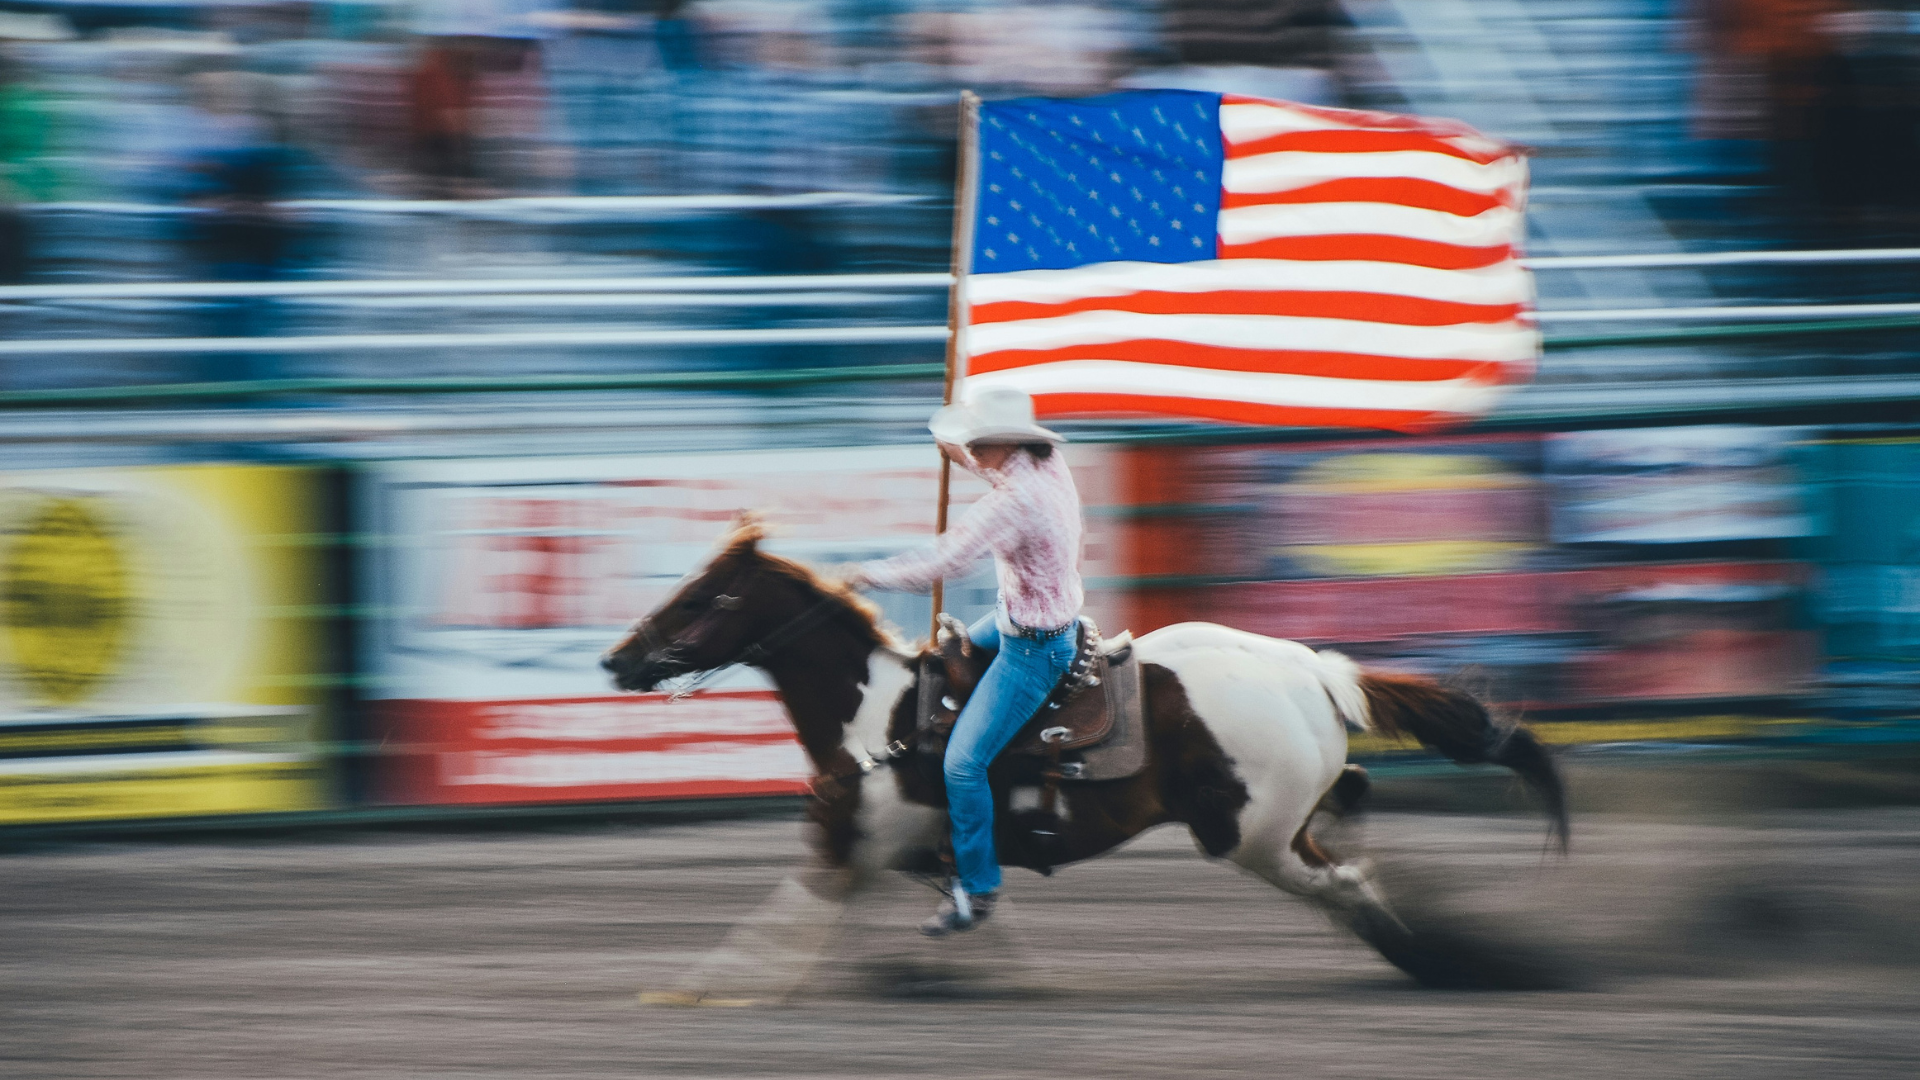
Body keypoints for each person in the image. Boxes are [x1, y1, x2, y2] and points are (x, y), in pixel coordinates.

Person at [841, 386, 1084, 936]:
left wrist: (865, 574)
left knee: (963, 764)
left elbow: (942, 562)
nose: (971, 453)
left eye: (978, 443)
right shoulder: (1046, 464)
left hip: (1034, 649)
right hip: (1025, 618)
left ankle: (977, 887)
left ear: (1003, 443)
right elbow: (983, 465)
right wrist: (952, 445)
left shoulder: (1012, 503)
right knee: (935, 670)